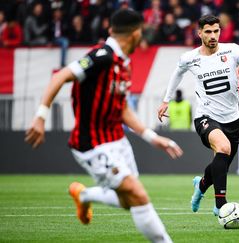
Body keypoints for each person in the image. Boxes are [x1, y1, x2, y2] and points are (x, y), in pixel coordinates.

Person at [25, 9, 182, 243]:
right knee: (137, 194)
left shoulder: (124, 64)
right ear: (136, 33)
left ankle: (85, 194)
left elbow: (123, 109)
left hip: (117, 140)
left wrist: (151, 137)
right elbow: (60, 77)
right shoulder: (102, 56)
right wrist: (40, 116)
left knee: (128, 200)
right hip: (91, 143)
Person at [157, 14, 239, 216]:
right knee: (223, 148)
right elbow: (177, 74)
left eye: (216, 31)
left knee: (221, 163)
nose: (212, 35)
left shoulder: (233, 51)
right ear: (199, 33)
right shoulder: (190, 58)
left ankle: (200, 186)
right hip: (206, 117)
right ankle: (221, 205)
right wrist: (166, 99)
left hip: (232, 120)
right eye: (208, 32)